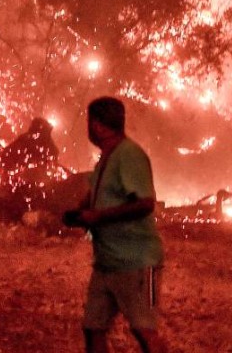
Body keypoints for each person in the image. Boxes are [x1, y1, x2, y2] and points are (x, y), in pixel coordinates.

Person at [63, 97, 166, 353]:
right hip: (107, 262)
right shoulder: (107, 158)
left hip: (137, 262)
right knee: (93, 327)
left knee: (144, 330)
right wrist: (79, 213)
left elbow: (145, 203)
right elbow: (97, 197)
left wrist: (98, 218)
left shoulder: (129, 155)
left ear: (97, 125)